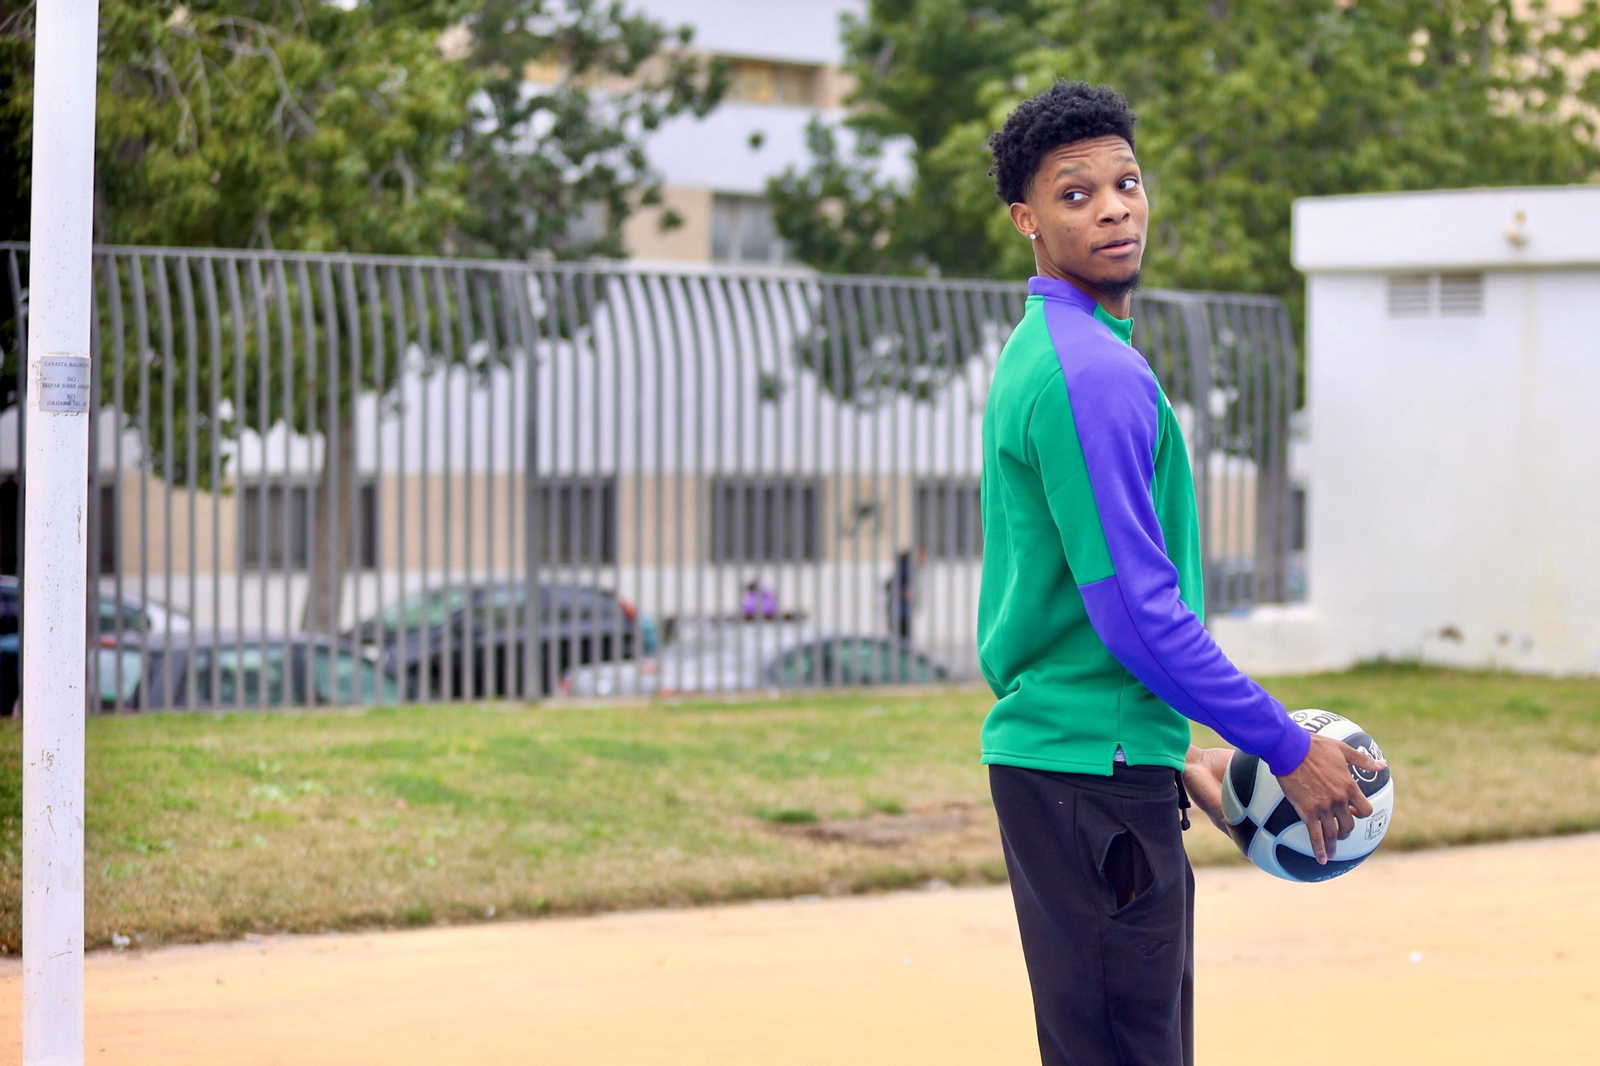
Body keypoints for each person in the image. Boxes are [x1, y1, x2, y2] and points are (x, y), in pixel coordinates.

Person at [976, 81, 1384, 1066]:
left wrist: (1174, 753)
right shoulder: (1092, 374)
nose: (1113, 206)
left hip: (1089, 765)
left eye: (1127, 181)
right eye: (1075, 195)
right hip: (1089, 776)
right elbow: (1136, 617)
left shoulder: (1061, 352)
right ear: (1025, 219)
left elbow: (1100, 620)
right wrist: (1278, 742)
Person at [885, 547, 925, 641]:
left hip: (900, 610)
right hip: (901, 611)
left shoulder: (907, 569)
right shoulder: (906, 569)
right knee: (902, 639)